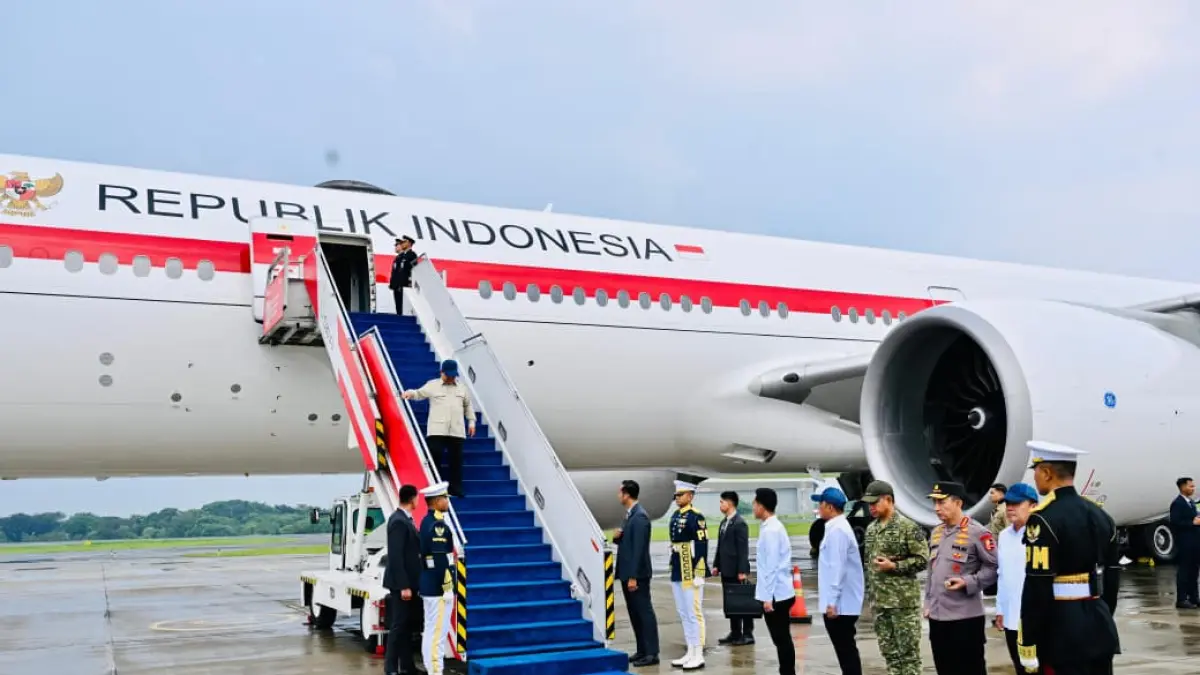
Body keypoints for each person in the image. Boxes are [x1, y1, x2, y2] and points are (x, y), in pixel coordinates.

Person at [1017, 441, 1121, 675]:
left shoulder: (1043, 519)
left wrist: (1029, 641)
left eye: (1035, 471)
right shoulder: (1100, 514)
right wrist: (1101, 612)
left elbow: (1037, 585)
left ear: (1046, 472)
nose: (1034, 478)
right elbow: (1112, 577)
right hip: (1099, 621)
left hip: (1060, 630)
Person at [923, 480, 998, 675]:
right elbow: (932, 571)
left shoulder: (977, 533)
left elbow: (993, 567)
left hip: (965, 619)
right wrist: (928, 602)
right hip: (938, 617)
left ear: (958, 503)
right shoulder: (937, 532)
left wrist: (968, 582)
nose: (936, 508)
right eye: (935, 503)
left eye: (942, 502)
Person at [861, 479, 928, 675]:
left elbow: (923, 559)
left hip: (902, 605)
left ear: (888, 500)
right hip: (880, 604)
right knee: (890, 654)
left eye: (874, 503)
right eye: (869, 504)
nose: (871, 507)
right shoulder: (871, 529)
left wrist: (895, 566)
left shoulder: (908, 527)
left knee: (908, 657)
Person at [402, 360, 476, 497]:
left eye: (453, 375)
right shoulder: (433, 385)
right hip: (437, 430)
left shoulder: (462, 388)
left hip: (456, 430)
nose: (451, 378)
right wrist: (410, 393)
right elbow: (419, 393)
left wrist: (471, 422)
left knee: (456, 460)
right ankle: (437, 489)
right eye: (449, 375)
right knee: (435, 456)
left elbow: (468, 406)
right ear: (442, 373)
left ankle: (456, 489)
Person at [812, 486, 864, 675]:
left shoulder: (838, 531)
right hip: (841, 602)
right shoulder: (835, 527)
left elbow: (838, 568)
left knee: (846, 650)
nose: (819, 507)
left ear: (830, 507)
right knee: (844, 650)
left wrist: (832, 602)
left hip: (841, 604)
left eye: (821, 503)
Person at [994, 482, 1042, 674]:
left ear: (1033, 505)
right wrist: (1000, 608)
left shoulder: (1041, 534)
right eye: (1008, 503)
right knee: (1020, 667)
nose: (1010, 508)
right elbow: (1002, 574)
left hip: (1035, 617)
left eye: (1016, 503)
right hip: (1011, 616)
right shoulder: (1004, 536)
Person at [613, 479, 659, 667]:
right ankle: (642, 650)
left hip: (637, 575)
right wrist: (618, 538)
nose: (618, 495)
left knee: (644, 613)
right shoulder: (629, 515)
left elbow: (639, 549)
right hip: (628, 573)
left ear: (626, 494)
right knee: (634, 613)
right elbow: (629, 543)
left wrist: (632, 576)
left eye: (620, 492)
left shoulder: (639, 517)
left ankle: (652, 653)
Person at [754, 487, 797, 675]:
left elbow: (770, 566)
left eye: (755, 504)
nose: (754, 507)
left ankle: (787, 672)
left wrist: (767, 597)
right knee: (781, 639)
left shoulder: (771, 530)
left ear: (762, 506)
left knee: (781, 640)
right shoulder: (770, 527)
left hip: (776, 595)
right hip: (779, 592)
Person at [667, 480, 708, 670]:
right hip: (678, 565)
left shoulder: (696, 517)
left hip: (690, 567)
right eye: (676, 495)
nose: (677, 498)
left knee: (694, 612)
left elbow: (701, 545)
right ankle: (690, 649)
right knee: (683, 612)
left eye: (681, 495)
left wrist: (699, 571)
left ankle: (698, 652)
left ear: (690, 496)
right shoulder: (675, 515)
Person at [383, 484, 423, 675]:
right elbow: (396, 556)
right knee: (398, 626)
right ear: (412, 499)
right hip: (401, 585)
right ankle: (390, 668)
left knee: (406, 626)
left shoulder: (405, 519)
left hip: (409, 583)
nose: (418, 501)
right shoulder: (398, 521)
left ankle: (407, 666)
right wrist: (404, 586)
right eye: (417, 498)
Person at [418, 481, 456, 675]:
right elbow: (440, 557)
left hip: (430, 584)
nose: (447, 502)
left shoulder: (427, 521)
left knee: (432, 630)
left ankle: (432, 668)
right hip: (438, 587)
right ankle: (435, 671)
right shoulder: (437, 525)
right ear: (436, 501)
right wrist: (447, 586)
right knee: (437, 635)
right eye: (445, 499)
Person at [712, 490, 753, 645]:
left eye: (722, 502)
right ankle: (735, 632)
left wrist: (742, 571)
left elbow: (743, 550)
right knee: (731, 603)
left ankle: (748, 633)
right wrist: (716, 565)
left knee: (743, 603)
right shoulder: (724, 522)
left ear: (729, 503)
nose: (720, 504)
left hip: (737, 571)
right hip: (726, 569)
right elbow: (720, 546)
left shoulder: (740, 523)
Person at [1169, 476, 1200, 609]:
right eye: (1190, 486)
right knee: (1184, 571)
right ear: (1182, 487)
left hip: (1195, 542)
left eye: (1193, 486)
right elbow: (1175, 522)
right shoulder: (1177, 503)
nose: (1193, 488)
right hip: (1184, 542)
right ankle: (1181, 599)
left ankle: (1194, 597)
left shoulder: (1191, 503)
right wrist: (1192, 523)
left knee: (1194, 570)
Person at [389, 236, 417, 315]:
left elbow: (412, 270)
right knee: (398, 305)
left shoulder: (412, 255)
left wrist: (407, 283)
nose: (402, 244)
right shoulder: (400, 257)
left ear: (409, 243)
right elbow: (396, 272)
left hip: (404, 284)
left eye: (404, 242)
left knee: (403, 306)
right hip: (397, 285)